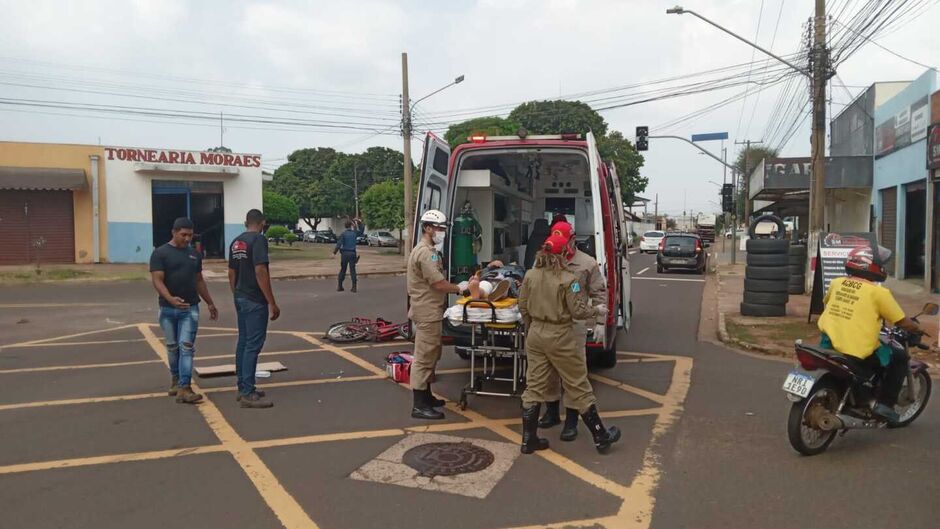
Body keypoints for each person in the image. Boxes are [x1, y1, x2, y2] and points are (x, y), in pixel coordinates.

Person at [518, 234, 621, 455]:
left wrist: (533, 326)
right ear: (563, 254)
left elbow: (523, 306)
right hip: (560, 335)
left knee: (534, 386)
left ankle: (529, 440)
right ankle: (600, 435)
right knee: (577, 384)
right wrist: (597, 311)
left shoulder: (530, 275)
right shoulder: (568, 280)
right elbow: (578, 311)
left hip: (536, 333)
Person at [817, 245, 922, 423]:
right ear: (872, 267)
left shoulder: (836, 283)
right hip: (856, 349)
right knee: (899, 357)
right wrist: (917, 328)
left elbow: (828, 304)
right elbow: (901, 321)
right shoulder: (879, 293)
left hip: (829, 343)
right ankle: (885, 406)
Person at [537, 221, 607, 441]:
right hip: (550, 325)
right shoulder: (546, 258)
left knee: (574, 375)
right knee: (548, 372)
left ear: (573, 239)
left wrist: (600, 322)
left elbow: (598, 293)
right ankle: (550, 411)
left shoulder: (587, 263)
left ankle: (571, 420)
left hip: (574, 326)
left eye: (564, 240)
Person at [406, 209, 470, 420]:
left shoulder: (429, 250)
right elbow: (438, 283)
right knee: (424, 358)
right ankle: (419, 405)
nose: (442, 232)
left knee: (432, 354)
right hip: (427, 312)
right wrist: (460, 288)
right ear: (428, 228)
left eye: (443, 228)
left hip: (430, 310)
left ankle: (426, 397)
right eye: (439, 228)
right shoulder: (426, 253)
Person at [150, 217, 219, 404]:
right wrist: (170, 299)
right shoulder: (160, 253)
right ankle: (176, 380)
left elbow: (199, 280)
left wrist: (210, 303)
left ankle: (185, 387)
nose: (187, 239)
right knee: (172, 347)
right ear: (174, 232)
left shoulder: (195, 255)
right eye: (183, 235)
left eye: (190, 235)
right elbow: (157, 280)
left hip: (190, 309)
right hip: (167, 309)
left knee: (186, 347)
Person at [228, 209, 280, 409]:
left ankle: (242, 386)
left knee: (243, 342)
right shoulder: (258, 240)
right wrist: (271, 302)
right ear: (263, 223)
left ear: (245, 222)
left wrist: (236, 295)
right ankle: (248, 392)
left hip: (241, 296)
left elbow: (231, 273)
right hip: (254, 299)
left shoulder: (236, 242)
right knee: (253, 345)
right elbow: (260, 271)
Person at [334, 218, 361, 292]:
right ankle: (354, 287)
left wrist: (334, 252)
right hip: (352, 253)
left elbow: (339, 244)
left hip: (344, 253)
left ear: (345, 226)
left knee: (343, 269)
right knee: (353, 270)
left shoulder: (343, 234)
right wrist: (356, 223)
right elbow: (360, 230)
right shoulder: (354, 233)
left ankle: (339, 286)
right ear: (351, 225)